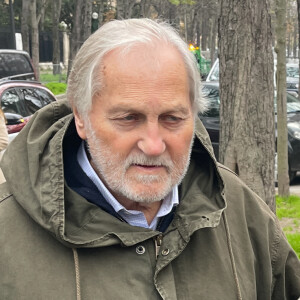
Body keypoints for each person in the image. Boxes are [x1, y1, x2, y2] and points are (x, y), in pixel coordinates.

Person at [0, 19, 299, 300]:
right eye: (129, 118)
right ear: (81, 116)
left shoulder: (240, 212)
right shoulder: (7, 232)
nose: (154, 145)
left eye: (172, 118)